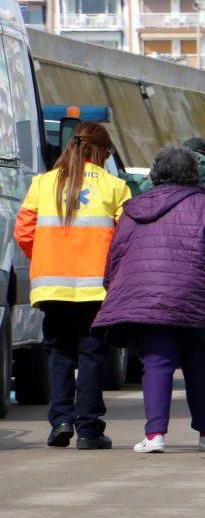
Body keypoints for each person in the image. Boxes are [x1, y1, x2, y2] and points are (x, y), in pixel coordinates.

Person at [93, 147, 205, 454]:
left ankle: (155, 435)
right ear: (193, 173)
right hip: (196, 298)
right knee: (198, 365)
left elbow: (116, 253)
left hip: (147, 299)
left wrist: (114, 288)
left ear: (156, 173)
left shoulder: (134, 208)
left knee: (156, 363)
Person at [14, 121, 131, 449]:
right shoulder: (115, 187)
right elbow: (126, 239)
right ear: (102, 152)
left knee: (59, 353)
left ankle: (61, 422)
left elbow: (24, 232)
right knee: (92, 354)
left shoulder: (43, 183)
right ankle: (90, 431)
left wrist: (45, 256)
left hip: (52, 286)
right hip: (97, 287)